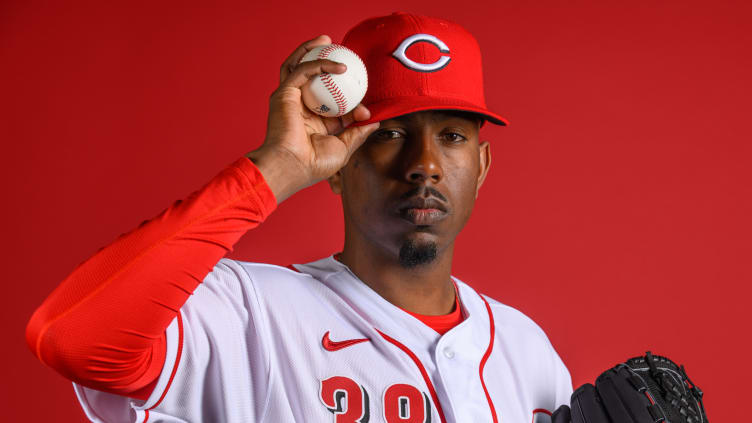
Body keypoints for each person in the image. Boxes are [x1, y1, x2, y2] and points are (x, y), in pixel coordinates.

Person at [26, 12, 572, 422]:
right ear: (337, 166)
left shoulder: (527, 351)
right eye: (389, 135)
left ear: (480, 166)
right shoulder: (249, 315)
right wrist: (275, 170)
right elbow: (71, 338)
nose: (424, 166)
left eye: (451, 137)